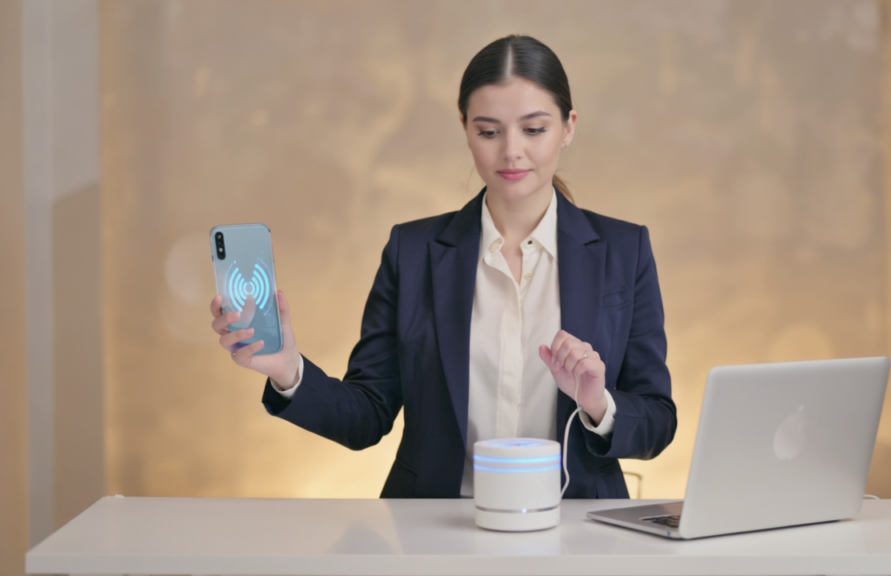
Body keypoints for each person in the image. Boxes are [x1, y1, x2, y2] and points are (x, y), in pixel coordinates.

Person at [209, 35, 676, 498]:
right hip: (433, 533)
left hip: (577, 537)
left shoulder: (624, 249)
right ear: (465, 128)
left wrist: (599, 405)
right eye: (489, 131)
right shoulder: (412, 251)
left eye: (534, 129)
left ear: (569, 127)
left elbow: (658, 420)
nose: (512, 151)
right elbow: (366, 416)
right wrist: (290, 371)